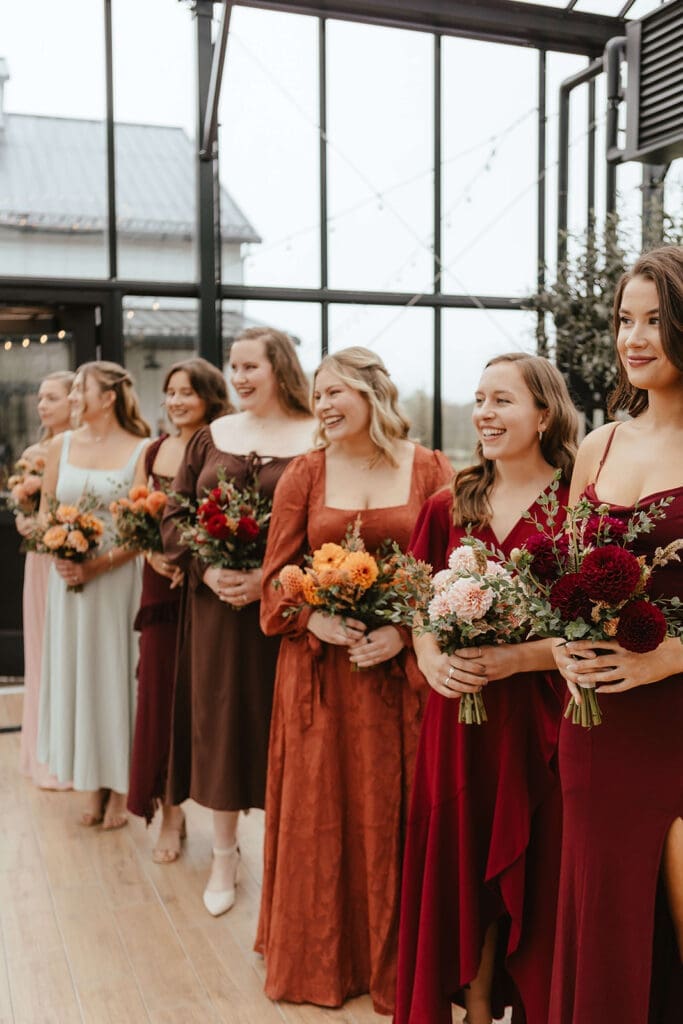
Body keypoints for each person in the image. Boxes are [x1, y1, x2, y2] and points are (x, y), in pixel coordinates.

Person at [255, 346, 453, 1014]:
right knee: (322, 817)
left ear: (373, 394)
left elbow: (451, 574)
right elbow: (274, 581)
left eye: (336, 390)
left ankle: (404, 970)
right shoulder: (303, 475)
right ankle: (321, 961)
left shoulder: (428, 469)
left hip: (402, 679)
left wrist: (403, 631)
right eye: (316, 395)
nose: (324, 404)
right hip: (320, 683)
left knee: (397, 815)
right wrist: (312, 619)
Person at [395, 352, 579, 1024]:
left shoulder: (578, 505)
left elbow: (593, 628)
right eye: (478, 400)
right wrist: (429, 657)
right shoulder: (449, 505)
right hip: (460, 724)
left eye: (501, 400)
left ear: (543, 412)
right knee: (462, 865)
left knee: (536, 869)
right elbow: (417, 606)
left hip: (549, 722)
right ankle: (472, 1007)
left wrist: (518, 660)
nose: (483, 414)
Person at [549, 245, 683, 1023]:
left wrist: (668, 656)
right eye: (623, 320)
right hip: (595, 722)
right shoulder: (597, 444)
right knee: (602, 914)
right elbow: (568, 575)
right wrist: (565, 644)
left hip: (675, 713)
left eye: (655, 320)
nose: (633, 338)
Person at [162, 327, 314, 914]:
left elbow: (324, 522)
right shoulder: (210, 436)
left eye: (252, 366)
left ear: (281, 368)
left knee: (285, 724)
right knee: (222, 719)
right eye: (234, 366)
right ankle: (224, 854)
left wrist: (270, 582)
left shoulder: (315, 436)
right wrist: (206, 570)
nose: (240, 377)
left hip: (288, 612)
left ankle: (285, 856)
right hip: (215, 612)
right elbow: (176, 512)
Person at [127, 358, 232, 862]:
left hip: (207, 586)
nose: (175, 401)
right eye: (170, 392)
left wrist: (190, 561)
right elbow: (137, 517)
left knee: (206, 702)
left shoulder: (222, 445)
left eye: (187, 392)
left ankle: (225, 826)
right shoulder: (153, 450)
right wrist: (157, 555)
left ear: (210, 396)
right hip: (160, 585)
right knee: (159, 699)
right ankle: (169, 812)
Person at [37, 362, 150, 830]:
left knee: (116, 672)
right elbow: (45, 508)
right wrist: (58, 549)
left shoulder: (142, 449)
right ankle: (88, 780)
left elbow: (145, 524)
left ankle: (120, 784)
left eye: (83, 387)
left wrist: (99, 561)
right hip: (67, 576)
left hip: (117, 576)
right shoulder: (60, 445)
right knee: (76, 673)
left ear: (110, 397)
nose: (75, 395)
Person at [15, 370, 74, 788]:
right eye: (40, 397)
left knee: (67, 651)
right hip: (39, 560)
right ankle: (43, 751)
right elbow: (28, 507)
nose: (42, 405)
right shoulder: (35, 451)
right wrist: (23, 518)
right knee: (39, 648)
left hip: (72, 558)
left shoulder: (83, 451)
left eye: (51, 398)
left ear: (75, 401)